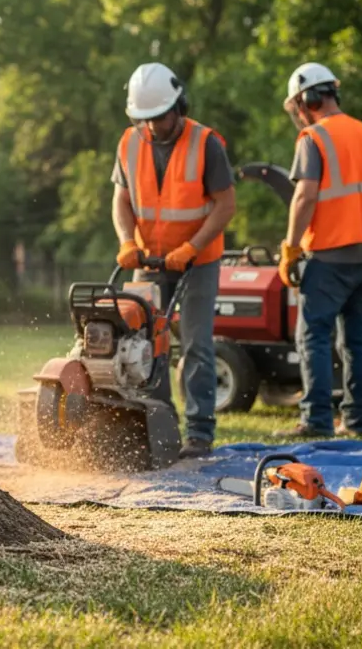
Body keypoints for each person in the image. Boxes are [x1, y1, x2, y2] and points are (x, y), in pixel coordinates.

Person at [111, 62, 236, 459]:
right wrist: (127, 241)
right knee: (144, 340)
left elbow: (225, 205)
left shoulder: (206, 143)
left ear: (178, 105)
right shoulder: (129, 142)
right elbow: (121, 199)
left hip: (198, 260)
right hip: (147, 257)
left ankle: (199, 432)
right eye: (144, 119)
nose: (154, 126)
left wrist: (192, 248)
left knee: (196, 342)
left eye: (160, 117)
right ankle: (157, 421)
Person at [274, 62, 362, 439]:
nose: (298, 115)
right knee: (356, 340)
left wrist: (291, 248)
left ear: (308, 100)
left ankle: (317, 420)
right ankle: (358, 423)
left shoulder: (314, 138)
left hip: (328, 256)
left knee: (314, 337)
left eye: (297, 107)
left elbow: (305, 196)